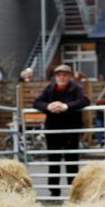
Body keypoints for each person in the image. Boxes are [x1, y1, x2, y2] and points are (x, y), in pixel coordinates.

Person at [33, 64, 89, 198]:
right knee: (53, 160)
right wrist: (48, 106)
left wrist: (66, 106)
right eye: (59, 75)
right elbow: (36, 102)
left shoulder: (76, 88)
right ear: (55, 77)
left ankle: (73, 190)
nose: (61, 77)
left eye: (64, 75)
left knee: (71, 160)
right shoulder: (50, 88)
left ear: (69, 76)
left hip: (71, 130)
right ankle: (54, 191)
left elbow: (85, 100)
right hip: (53, 130)